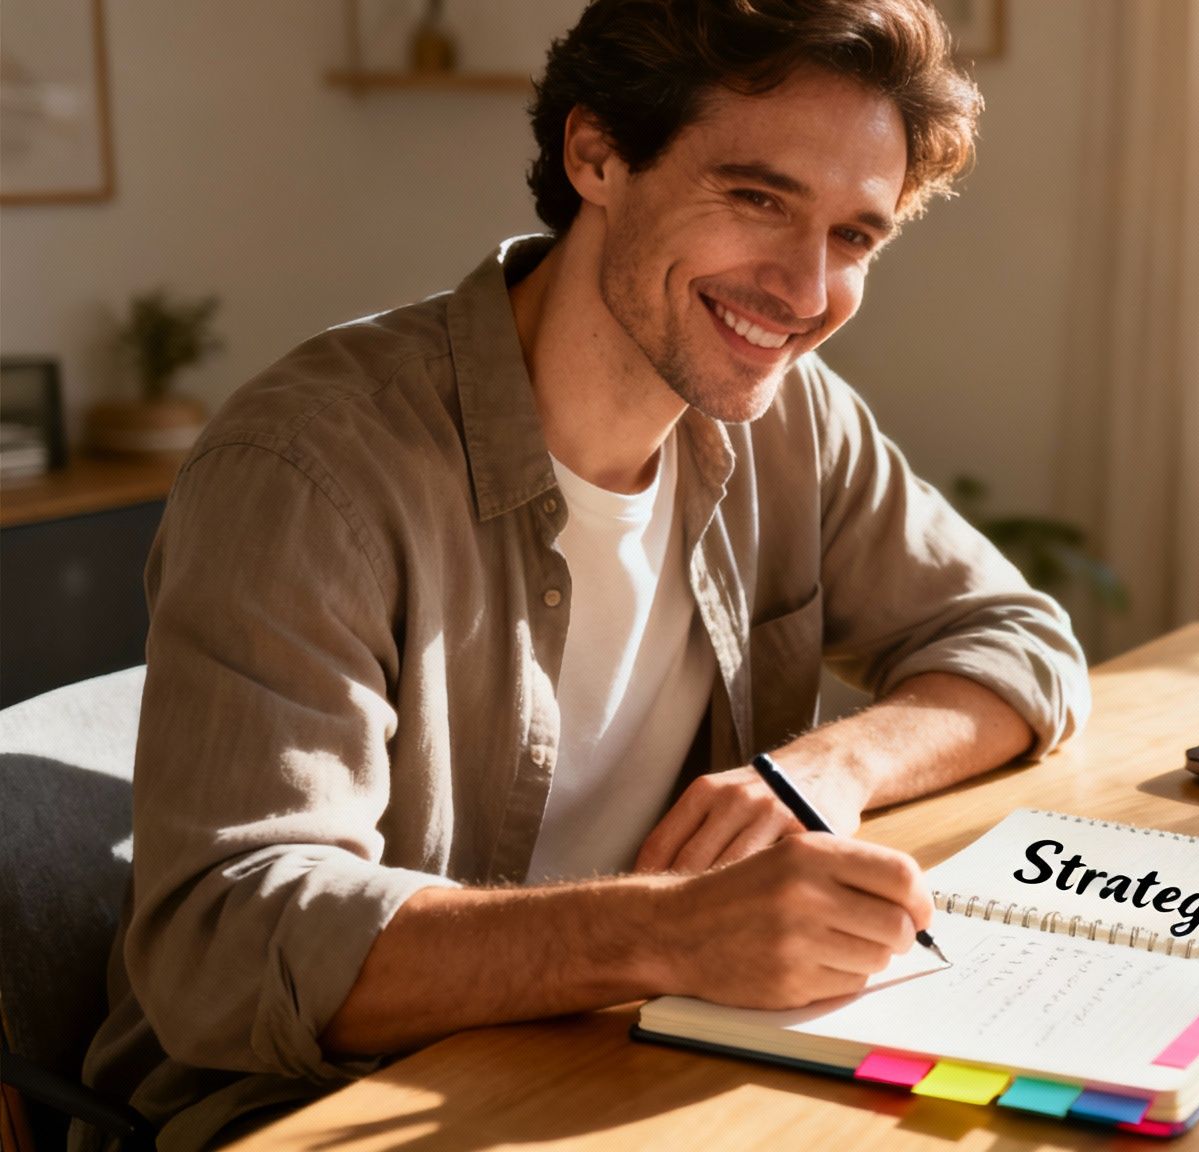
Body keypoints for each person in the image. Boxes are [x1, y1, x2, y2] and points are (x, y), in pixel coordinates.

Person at [75, 2, 1089, 1147]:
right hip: (324, 1104)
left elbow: (1017, 640)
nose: (806, 293)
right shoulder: (312, 467)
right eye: (757, 199)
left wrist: (827, 768)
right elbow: (228, 943)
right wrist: (668, 931)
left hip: (630, 1043)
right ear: (595, 154)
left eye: (853, 237)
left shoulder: (791, 421)